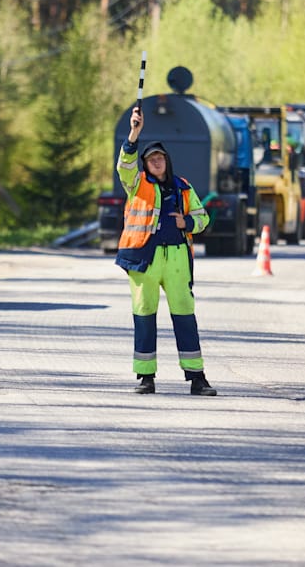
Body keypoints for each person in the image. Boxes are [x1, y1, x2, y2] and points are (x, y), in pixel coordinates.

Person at [115, 106, 216, 396]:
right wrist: (134, 134)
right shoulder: (136, 185)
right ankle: (146, 377)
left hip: (176, 260)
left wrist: (187, 221)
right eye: (151, 159)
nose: (156, 162)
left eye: (159, 158)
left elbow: (203, 218)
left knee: (185, 315)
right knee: (144, 315)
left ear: (166, 161)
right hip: (143, 260)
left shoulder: (183, 187)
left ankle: (197, 378)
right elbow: (125, 165)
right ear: (145, 165)